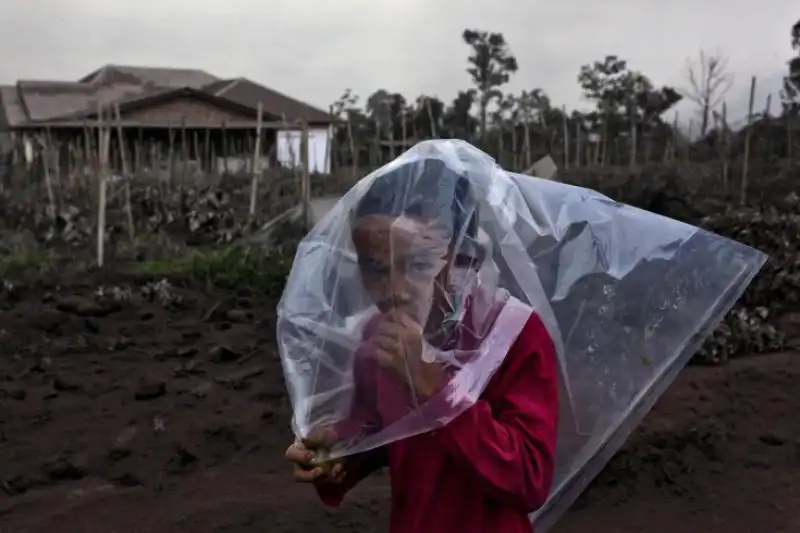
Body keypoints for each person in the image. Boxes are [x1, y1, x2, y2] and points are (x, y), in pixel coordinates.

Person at [284, 157, 560, 533]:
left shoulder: (514, 335)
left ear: (466, 259)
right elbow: (382, 431)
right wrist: (338, 454)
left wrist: (433, 386)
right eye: (377, 270)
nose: (394, 290)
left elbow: (529, 477)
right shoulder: (380, 338)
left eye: (417, 266)